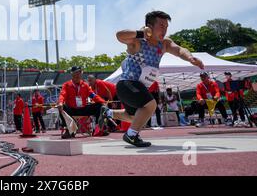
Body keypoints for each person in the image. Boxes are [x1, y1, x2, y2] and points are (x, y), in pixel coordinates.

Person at [106, 11, 204, 147]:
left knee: (135, 117)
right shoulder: (138, 41)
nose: (164, 30)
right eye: (161, 26)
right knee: (151, 105)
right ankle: (131, 135)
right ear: (149, 27)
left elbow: (179, 50)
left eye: (166, 27)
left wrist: (190, 58)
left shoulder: (164, 44)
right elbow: (119, 35)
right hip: (127, 84)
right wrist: (140, 33)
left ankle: (108, 112)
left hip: (139, 88)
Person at [57, 66, 108, 139]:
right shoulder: (66, 85)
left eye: (79, 72)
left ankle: (99, 128)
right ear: (72, 74)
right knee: (62, 108)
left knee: (100, 106)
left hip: (83, 109)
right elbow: (62, 95)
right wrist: (60, 103)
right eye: (76, 73)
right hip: (72, 110)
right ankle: (68, 130)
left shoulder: (85, 85)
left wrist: (103, 102)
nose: (78, 75)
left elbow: (93, 95)